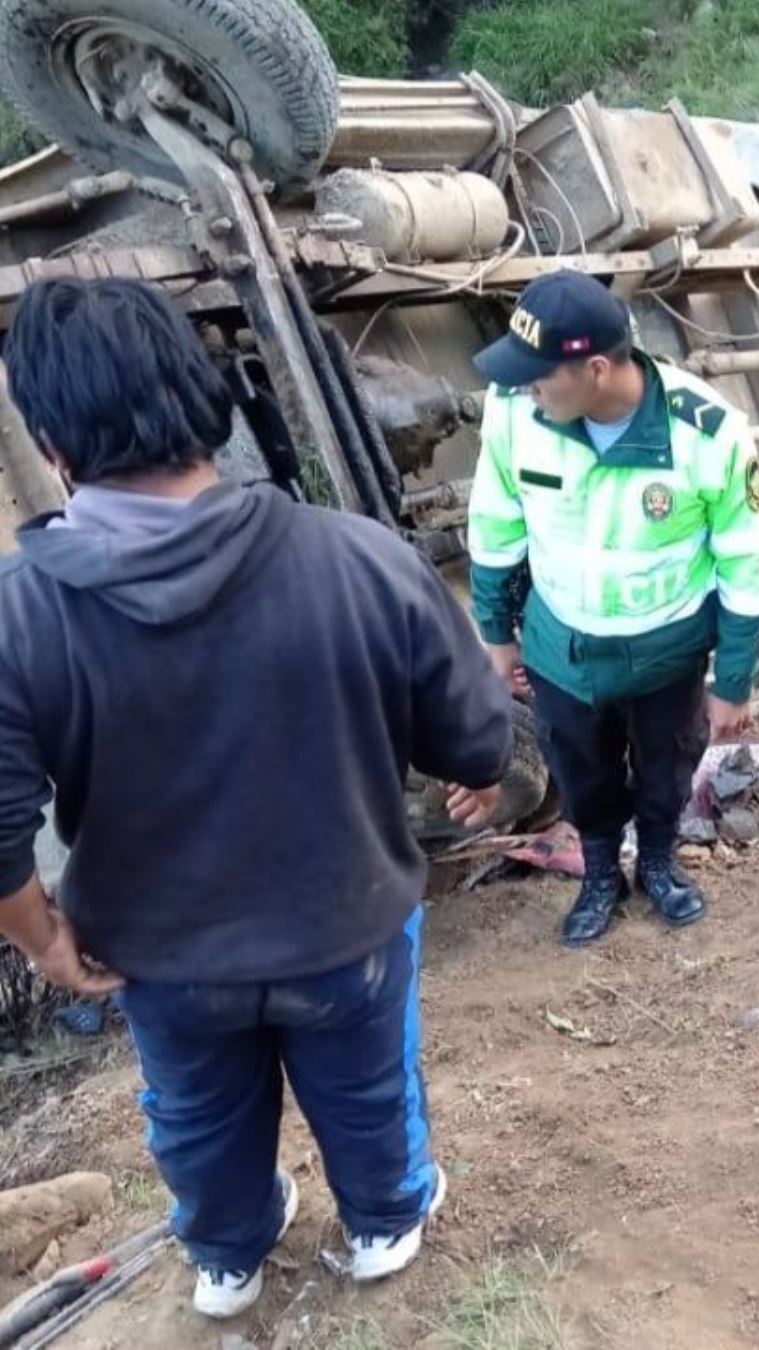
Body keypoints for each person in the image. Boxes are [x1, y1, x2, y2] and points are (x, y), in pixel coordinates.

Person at [0, 278, 513, 1319]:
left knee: (194, 1111)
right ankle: (383, 1223)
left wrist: (41, 941)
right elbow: (475, 739)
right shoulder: (361, 558)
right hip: (348, 927)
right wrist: (479, 772)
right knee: (368, 1089)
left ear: (53, 444)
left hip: (159, 954)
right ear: (209, 404)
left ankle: (228, 1257)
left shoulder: (25, 612)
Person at [468, 270, 759, 946]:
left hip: (665, 653)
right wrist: (497, 634)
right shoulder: (516, 414)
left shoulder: (708, 434)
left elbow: (744, 563)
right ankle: (600, 872)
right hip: (562, 651)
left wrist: (734, 681)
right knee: (579, 767)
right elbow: (495, 527)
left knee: (668, 763)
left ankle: (659, 863)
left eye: (541, 376)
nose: (526, 388)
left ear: (596, 370)